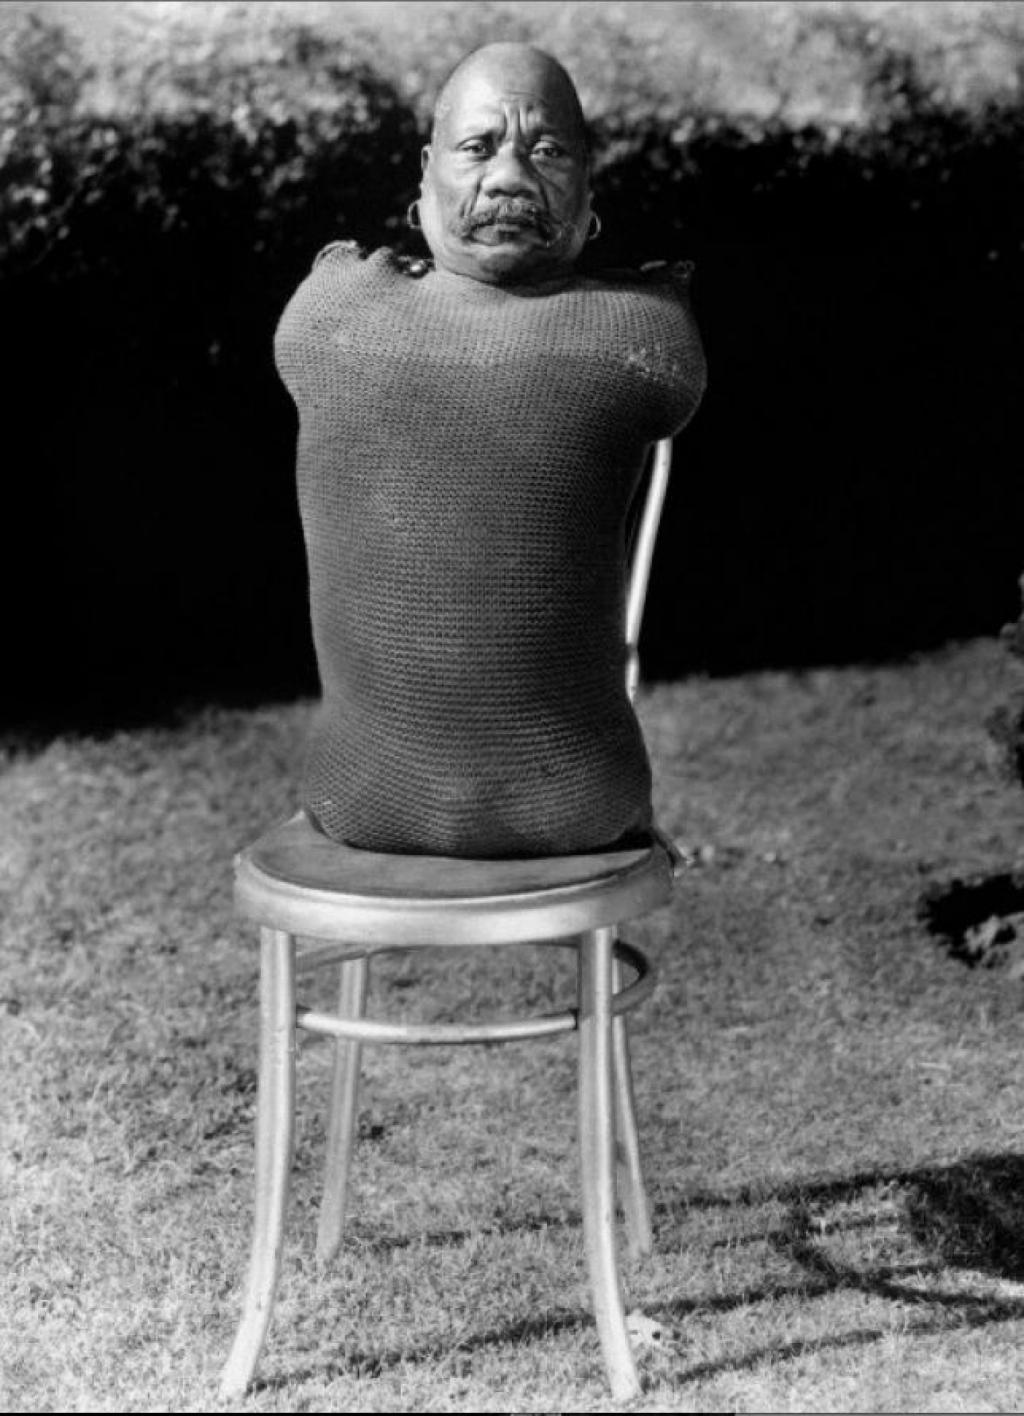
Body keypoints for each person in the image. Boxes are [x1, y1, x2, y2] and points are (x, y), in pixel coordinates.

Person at [275, 43, 707, 857]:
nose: (509, 177)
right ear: (426, 174)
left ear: (587, 188)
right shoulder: (644, 333)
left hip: (361, 806)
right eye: (478, 148)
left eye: (546, 153)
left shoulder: (331, 315)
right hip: (573, 811)